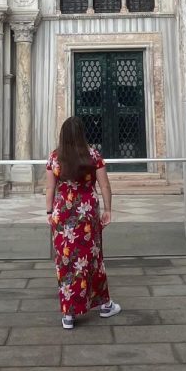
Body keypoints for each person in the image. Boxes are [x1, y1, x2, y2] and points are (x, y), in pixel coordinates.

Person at [45, 116, 121, 330]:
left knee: (66, 261)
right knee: (92, 259)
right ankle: (105, 305)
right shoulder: (93, 155)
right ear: (82, 134)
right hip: (86, 212)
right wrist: (108, 209)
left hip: (63, 213)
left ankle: (68, 314)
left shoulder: (54, 158)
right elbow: (105, 185)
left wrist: (50, 211)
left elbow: (50, 188)